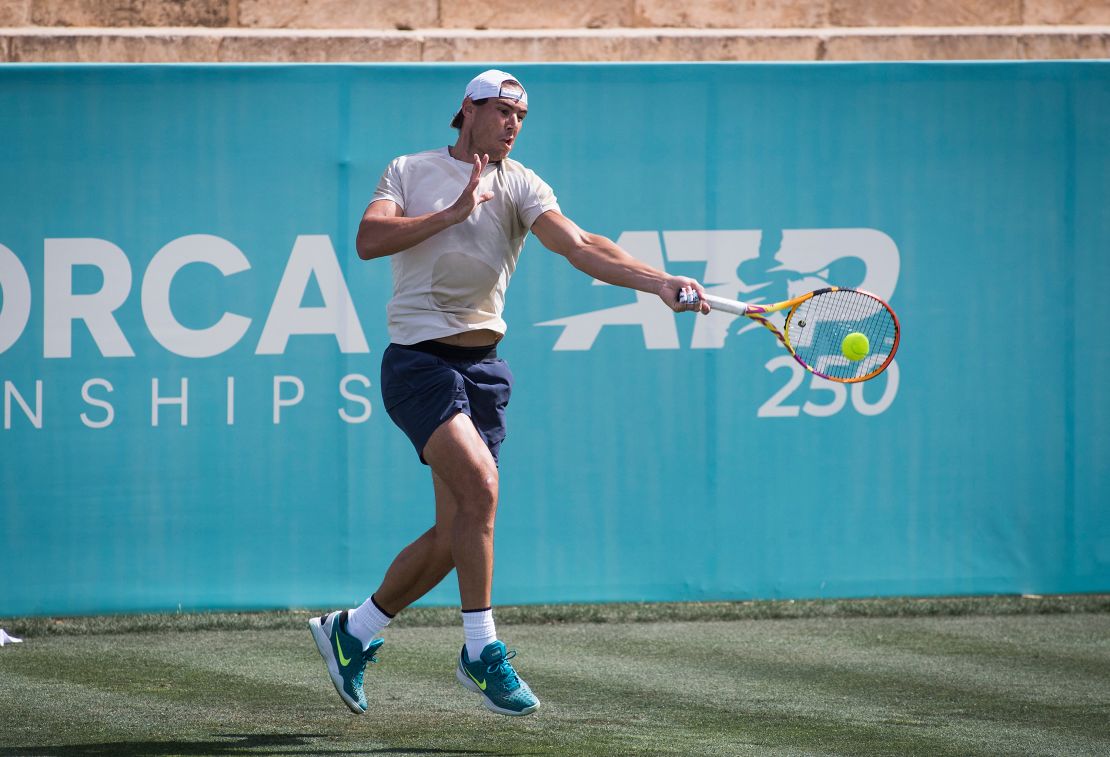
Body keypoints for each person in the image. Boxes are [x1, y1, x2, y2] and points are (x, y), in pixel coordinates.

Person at [309, 69, 710, 718]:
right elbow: (367, 240)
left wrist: (658, 281)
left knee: (454, 531)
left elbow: (581, 246)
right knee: (482, 489)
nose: (513, 123)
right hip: (418, 364)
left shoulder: (521, 183)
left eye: (521, 115)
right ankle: (479, 651)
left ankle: (350, 631)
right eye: (501, 111)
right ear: (467, 111)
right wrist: (452, 213)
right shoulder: (408, 170)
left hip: (483, 371)